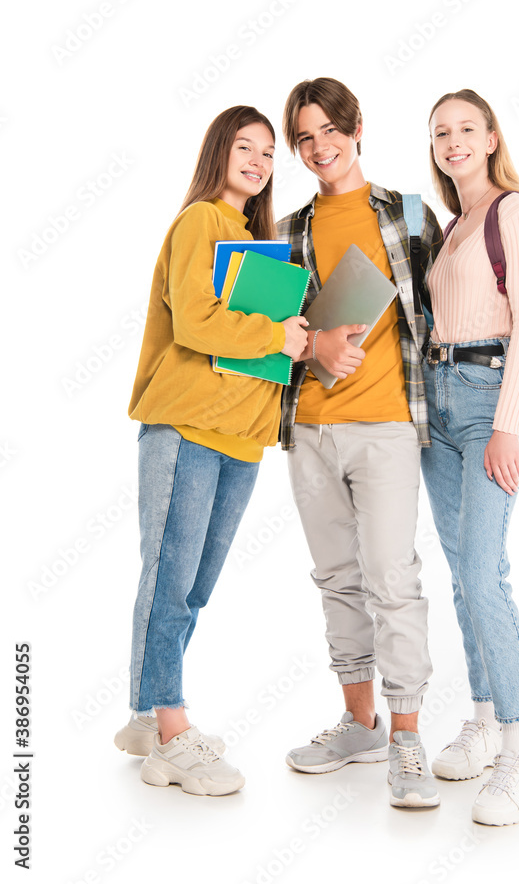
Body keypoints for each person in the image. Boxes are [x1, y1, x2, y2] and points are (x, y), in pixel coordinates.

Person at [113, 106, 308, 796]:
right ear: (218, 153)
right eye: (245, 147)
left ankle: (148, 714)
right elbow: (195, 320)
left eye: (267, 154)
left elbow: (261, 345)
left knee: (192, 589)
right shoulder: (201, 220)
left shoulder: (260, 240)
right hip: (186, 428)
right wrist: (276, 336)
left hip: (240, 439)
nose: (257, 161)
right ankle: (171, 730)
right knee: (169, 580)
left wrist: (297, 339)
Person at [277, 77, 444, 808]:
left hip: (384, 427)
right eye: (304, 138)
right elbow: (271, 338)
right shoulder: (286, 230)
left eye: (327, 132)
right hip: (309, 426)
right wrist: (312, 345)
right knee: (336, 578)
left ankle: (407, 736)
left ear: (356, 127)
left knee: (391, 578)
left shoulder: (407, 213)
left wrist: (518, 374)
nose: (318, 148)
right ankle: (359, 723)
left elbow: (449, 308)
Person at [420, 88, 519, 825]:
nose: (453, 141)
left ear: (491, 135)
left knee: (482, 571)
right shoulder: (451, 226)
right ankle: (479, 719)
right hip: (437, 402)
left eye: (466, 128)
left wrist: (506, 421)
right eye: (441, 132)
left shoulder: (510, 209)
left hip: (482, 402)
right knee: (461, 572)